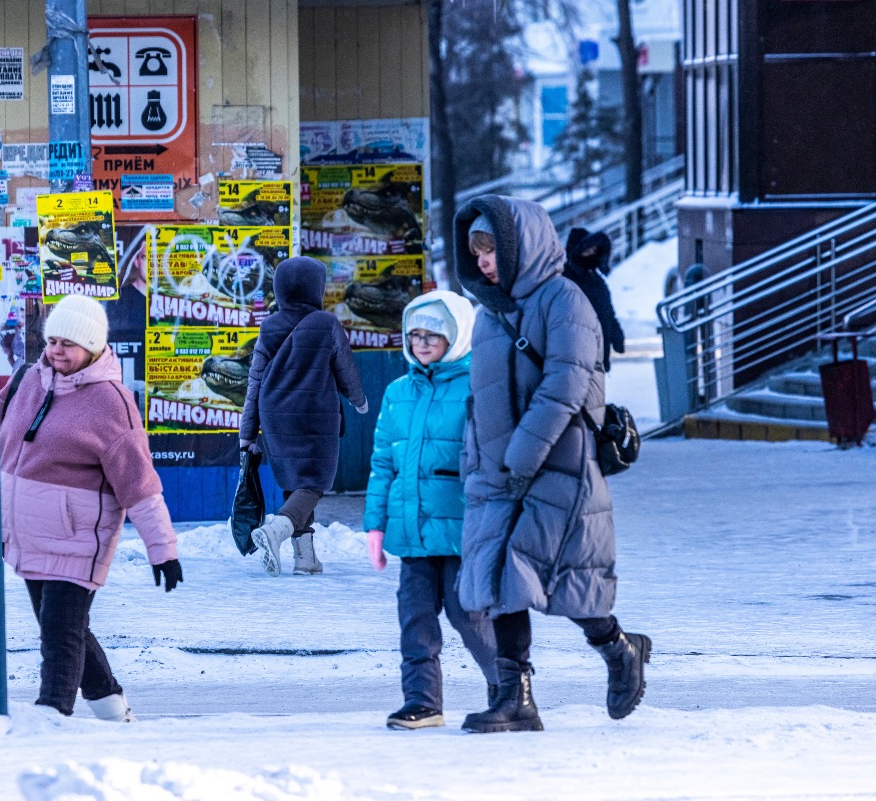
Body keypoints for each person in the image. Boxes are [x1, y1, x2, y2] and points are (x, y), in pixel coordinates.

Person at [452, 197, 651, 733]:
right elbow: (480, 400)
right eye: (477, 251)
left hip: (558, 468)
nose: (484, 261)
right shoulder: (490, 316)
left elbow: (563, 387)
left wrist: (522, 457)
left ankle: (618, 648)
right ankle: (516, 698)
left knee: (568, 582)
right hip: (498, 475)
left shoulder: (565, 301)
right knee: (500, 581)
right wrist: (476, 463)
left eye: (492, 248)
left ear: (521, 246)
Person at [0, 294, 182, 720]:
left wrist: (163, 549)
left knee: (60, 637)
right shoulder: (28, 381)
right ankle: (114, 711)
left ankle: (51, 718)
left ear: (93, 348)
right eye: (53, 340)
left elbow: (140, 484)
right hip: (28, 535)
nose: (57, 350)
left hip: (79, 539)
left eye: (69, 343)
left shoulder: (110, 402)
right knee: (62, 628)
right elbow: (0, 452)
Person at [363, 290, 499, 730]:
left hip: (463, 533)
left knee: (470, 618)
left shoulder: (479, 386)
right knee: (415, 621)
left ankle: (508, 688)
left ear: (457, 337)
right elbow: (384, 462)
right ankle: (422, 701)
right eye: (415, 334)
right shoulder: (398, 391)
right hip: (413, 535)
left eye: (434, 335)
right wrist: (376, 526)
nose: (422, 343)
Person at [239, 256, 369, 577]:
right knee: (314, 482)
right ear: (317, 288)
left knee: (296, 481)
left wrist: (247, 432)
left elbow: (254, 382)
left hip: (274, 417)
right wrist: (359, 401)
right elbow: (346, 372)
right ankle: (277, 530)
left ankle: (306, 559)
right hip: (316, 418)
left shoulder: (268, 327)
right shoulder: (326, 324)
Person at [563, 227, 625, 372]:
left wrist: (616, 334)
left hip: (599, 357)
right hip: (576, 358)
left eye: (593, 250)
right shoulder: (565, 279)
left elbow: (607, 312)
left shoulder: (596, 279)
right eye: (587, 250)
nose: (591, 254)